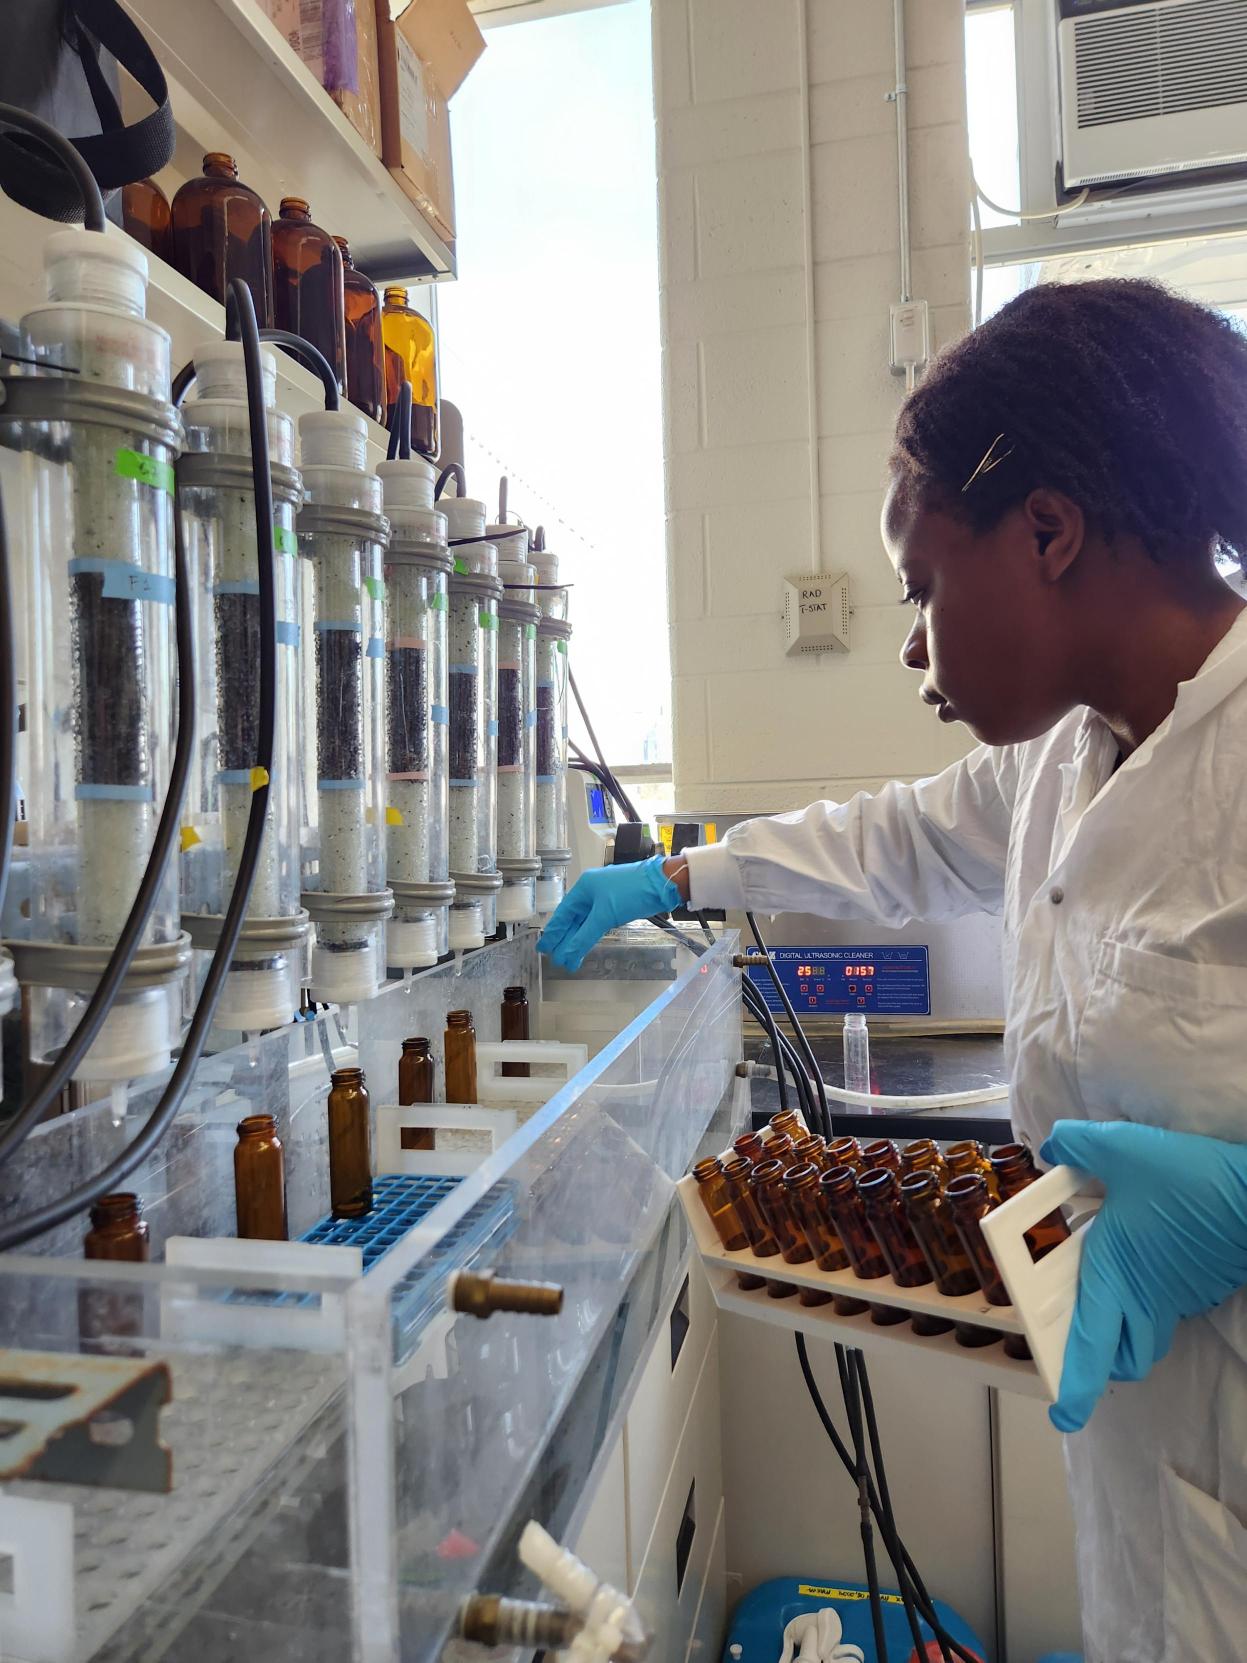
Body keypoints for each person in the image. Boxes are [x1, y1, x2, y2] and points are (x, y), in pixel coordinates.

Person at [539, 278, 1247, 1663]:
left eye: (924, 587)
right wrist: (677, 877)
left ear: (1049, 531)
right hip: (1149, 1493)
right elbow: (892, 841)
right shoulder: (1062, 763)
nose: (915, 645)